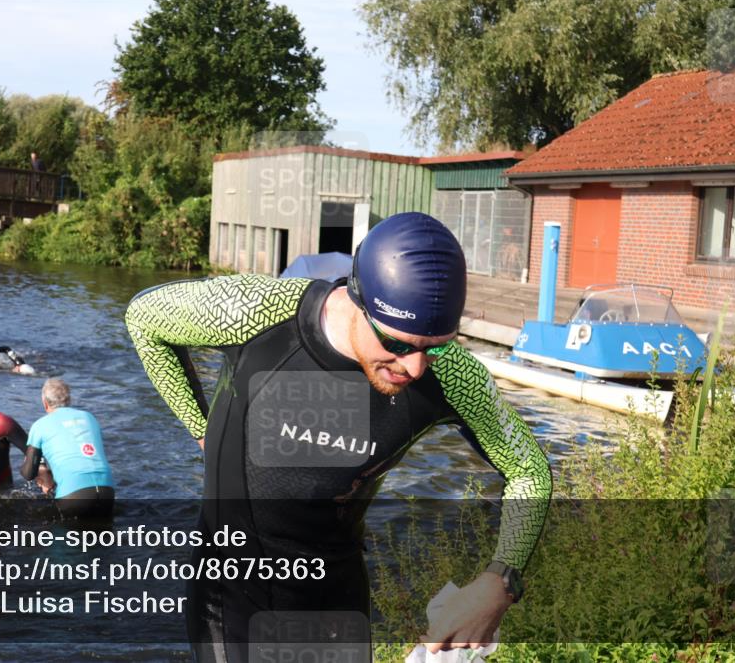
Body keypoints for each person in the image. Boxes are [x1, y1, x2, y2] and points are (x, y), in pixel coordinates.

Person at [125, 212, 552, 661]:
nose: (415, 367)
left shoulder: (452, 376)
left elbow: (529, 470)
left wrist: (498, 583)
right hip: (230, 595)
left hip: (335, 599)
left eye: (436, 345)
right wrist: (201, 430)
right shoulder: (257, 313)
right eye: (398, 344)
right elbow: (144, 320)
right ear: (358, 299)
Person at [21, 378, 115, 519]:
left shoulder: (40, 425)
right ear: (69, 400)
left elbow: (28, 473)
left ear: (44, 402)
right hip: (107, 490)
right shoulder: (89, 417)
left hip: (74, 494)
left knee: (64, 538)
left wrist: (43, 471)